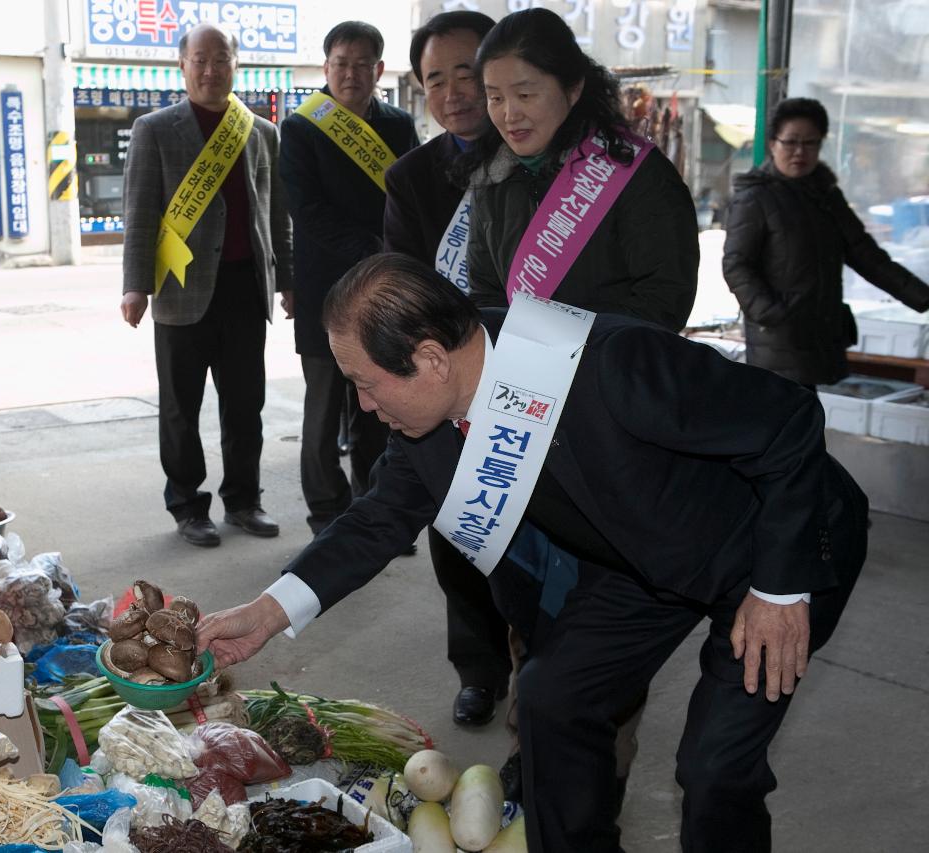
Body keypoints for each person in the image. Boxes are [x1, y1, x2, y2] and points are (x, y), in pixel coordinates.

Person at [198, 253, 868, 853]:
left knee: (717, 766)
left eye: (368, 382)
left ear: (431, 359)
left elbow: (788, 422)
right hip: (642, 561)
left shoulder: (608, 361)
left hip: (775, 546)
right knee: (552, 696)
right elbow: (378, 519)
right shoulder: (428, 424)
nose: (366, 406)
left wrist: (782, 588)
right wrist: (268, 610)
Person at [384, 10, 512, 729]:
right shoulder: (412, 178)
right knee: (455, 531)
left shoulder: (543, 159)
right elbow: (401, 280)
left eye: (468, 72)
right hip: (446, 380)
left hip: (533, 378)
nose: (456, 91)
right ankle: (478, 668)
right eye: (437, 78)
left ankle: (540, 674)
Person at [120, 24, 292, 548]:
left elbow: (275, 212)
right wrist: (134, 287)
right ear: (183, 66)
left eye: (222, 59)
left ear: (237, 64)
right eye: (201, 60)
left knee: (246, 404)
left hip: (245, 288)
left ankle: (243, 500)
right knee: (180, 408)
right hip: (179, 287)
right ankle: (188, 505)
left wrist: (288, 279)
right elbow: (140, 213)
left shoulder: (260, 131)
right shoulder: (155, 128)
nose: (211, 69)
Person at [461, 8, 697, 330]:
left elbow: (665, 299)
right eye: (495, 97)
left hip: (617, 369)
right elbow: (486, 295)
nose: (509, 114)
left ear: (573, 90)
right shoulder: (491, 179)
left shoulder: (633, 172)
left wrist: (570, 351)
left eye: (525, 94)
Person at [280, 20, 419, 535]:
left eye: (362, 65)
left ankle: (377, 506)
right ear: (326, 67)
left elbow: (409, 199)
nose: (351, 74)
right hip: (324, 286)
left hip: (384, 290)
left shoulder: (399, 126)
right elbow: (306, 209)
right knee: (321, 403)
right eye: (341, 64)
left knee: (381, 404)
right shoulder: (300, 127)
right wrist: (372, 248)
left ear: (379, 69)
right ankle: (325, 509)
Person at [722, 97, 929, 387]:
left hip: (819, 333)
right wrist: (773, 315)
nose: (799, 152)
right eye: (790, 142)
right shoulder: (756, 197)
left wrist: (922, 296)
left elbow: (867, 255)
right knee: (789, 419)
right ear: (772, 144)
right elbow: (736, 265)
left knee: (805, 418)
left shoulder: (826, 196)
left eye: (810, 143)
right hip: (779, 341)